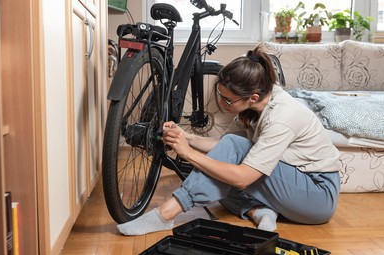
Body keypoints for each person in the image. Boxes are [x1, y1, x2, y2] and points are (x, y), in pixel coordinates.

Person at [117, 44, 341, 235]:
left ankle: (166, 214)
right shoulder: (255, 105)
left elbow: (243, 177)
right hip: (291, 185)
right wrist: (185, 136)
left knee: (219, 172)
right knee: (216, 177)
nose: (223, 104)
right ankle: (258, 210)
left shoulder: (282, 117)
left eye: (228, 100)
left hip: (317, 195)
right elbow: (224, 148)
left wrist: (187, 153)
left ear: (252, 97)